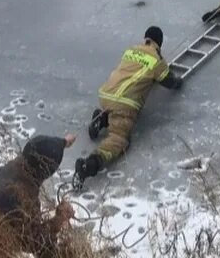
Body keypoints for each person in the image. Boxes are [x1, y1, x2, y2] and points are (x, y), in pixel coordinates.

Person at [74, 25, 181, 186]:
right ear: (159, 43)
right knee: (119, 139)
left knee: (114, 110)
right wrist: (178, 82)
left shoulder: (131, 50)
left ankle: (103, 118)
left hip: (106, 95)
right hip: (124, 104)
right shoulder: (156, 60)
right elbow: (168, 81)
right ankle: (89, 164)